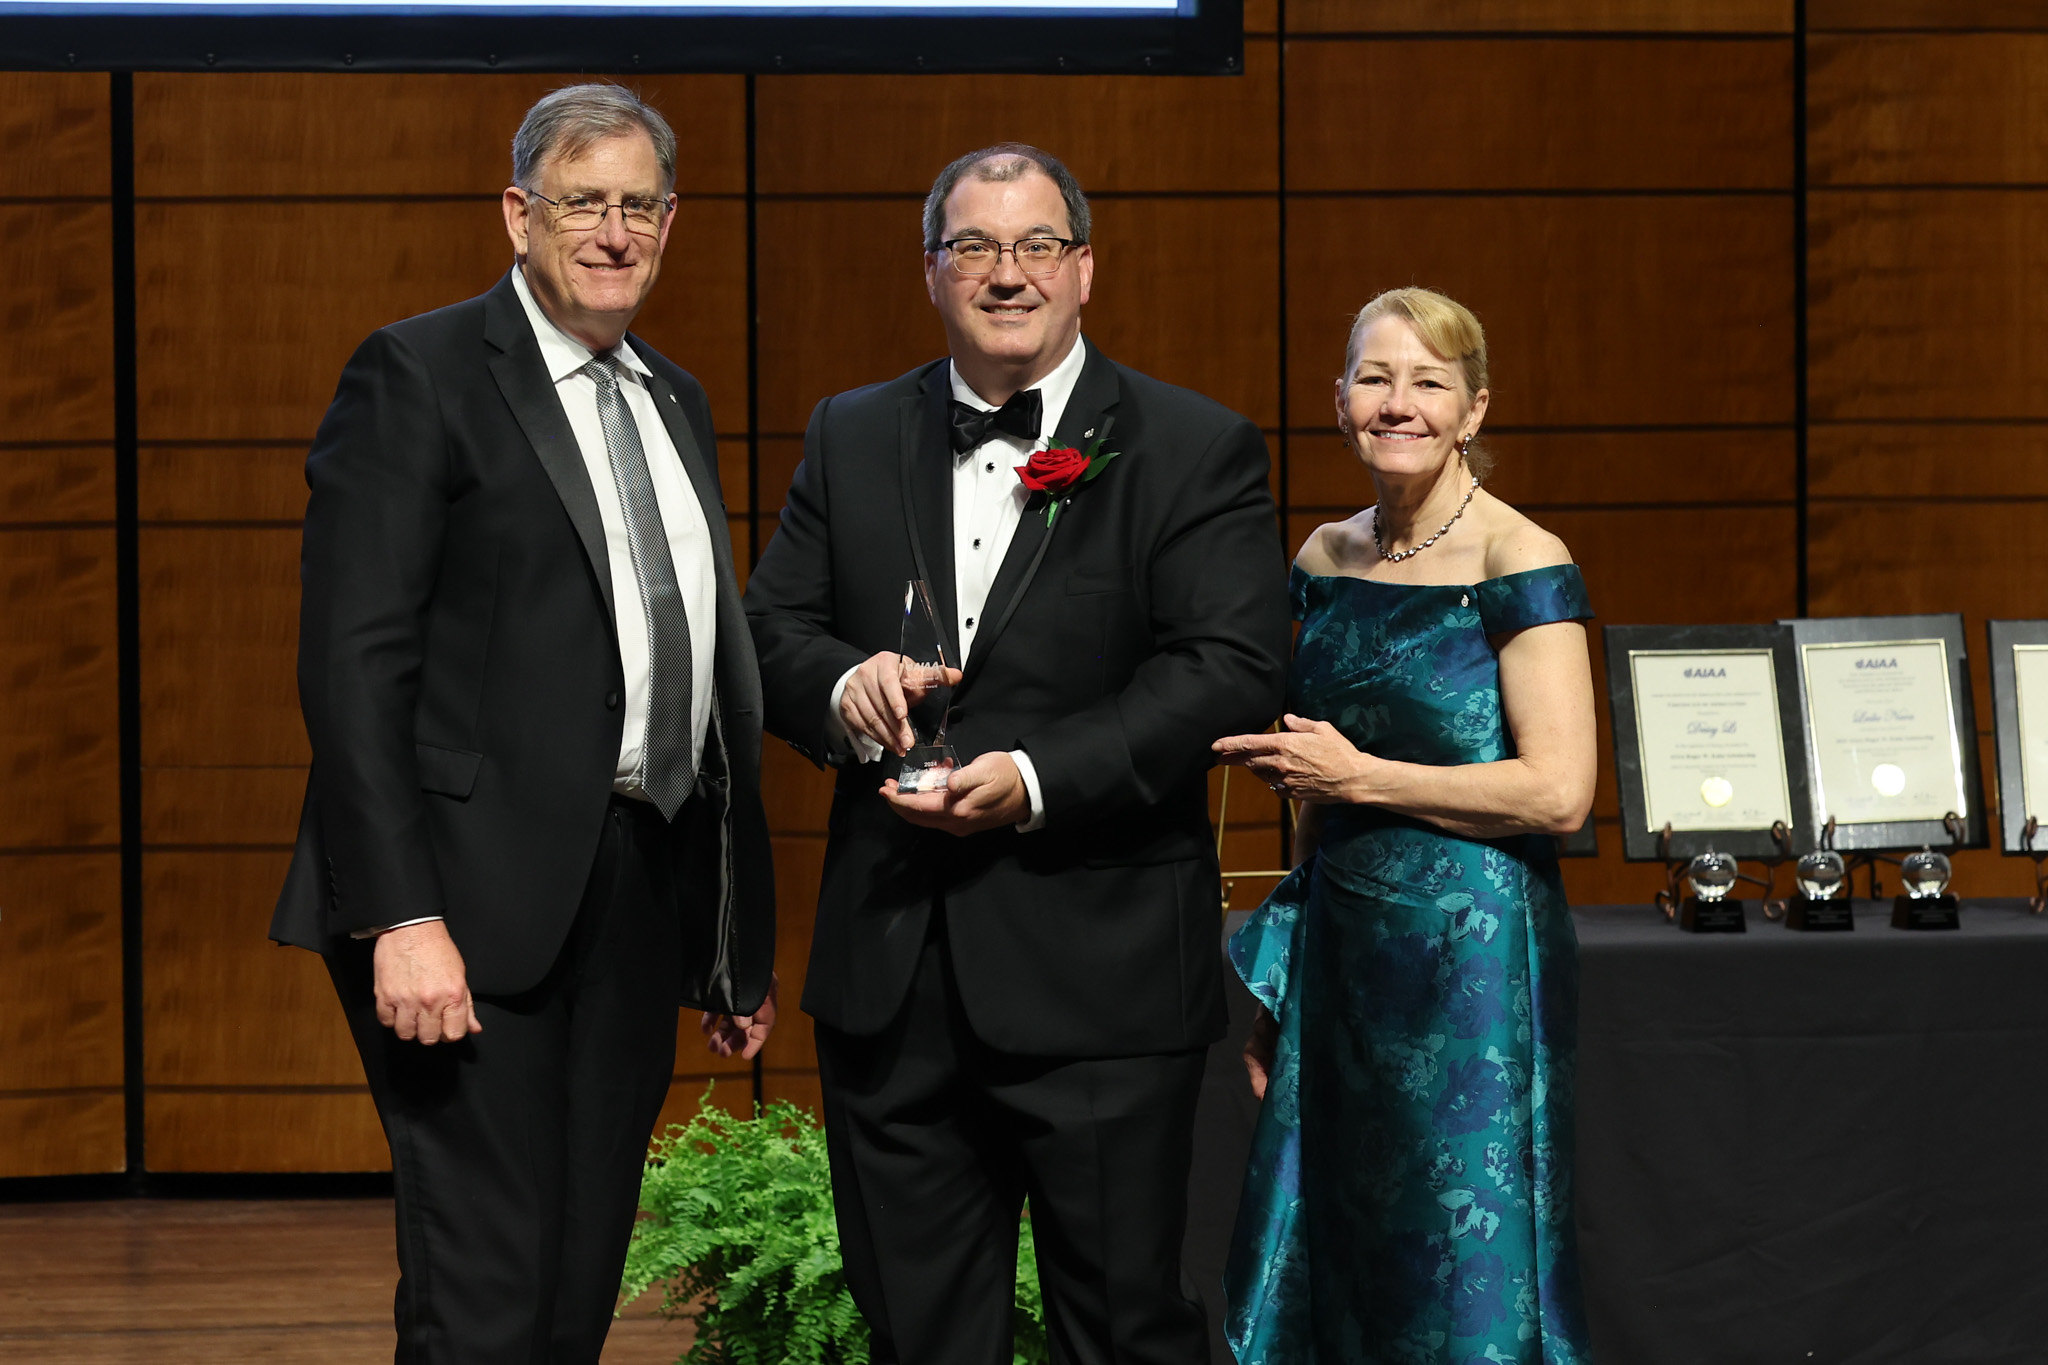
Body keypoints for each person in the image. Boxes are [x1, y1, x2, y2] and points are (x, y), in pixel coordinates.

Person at [743, 143, 1290, 1364]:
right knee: (920, 1338)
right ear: (930, 271)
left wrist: (1039, 778)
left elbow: (1226, 668)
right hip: (892, 978)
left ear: (1083, 269)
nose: (1006, 273)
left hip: (1101, 978)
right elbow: (765, 631)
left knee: (1126, 1332)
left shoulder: (1192, 445)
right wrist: (844, 684)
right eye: (973, 247)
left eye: (1035, 245)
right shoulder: (851, 432)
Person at [268, 83, 776, 1364]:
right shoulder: (418, 372)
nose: (613, 233)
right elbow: (352, 665)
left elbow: (700, 668)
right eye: (581, 202)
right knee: (486, 1285)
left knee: (575, 1276)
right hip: (461, 900)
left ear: (671, 221)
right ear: (517, 213)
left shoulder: (674, 398)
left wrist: (727, 931)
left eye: (638, 206)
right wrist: (399, 914)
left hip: (632, 883)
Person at [1213, 288, 1597, 1364]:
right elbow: (1305, 777)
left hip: (1473, 963)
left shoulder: (1516, 559)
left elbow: (1559, 792)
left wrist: (1362, 778)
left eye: (1427, 382)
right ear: (1338, 402)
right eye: (1375, 379)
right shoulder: (1321, 561)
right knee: (1341, 1237)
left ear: (1474, 410)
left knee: (1461, 1246)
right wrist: (1281, 988)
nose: (1398, 403)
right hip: (1340, 953)